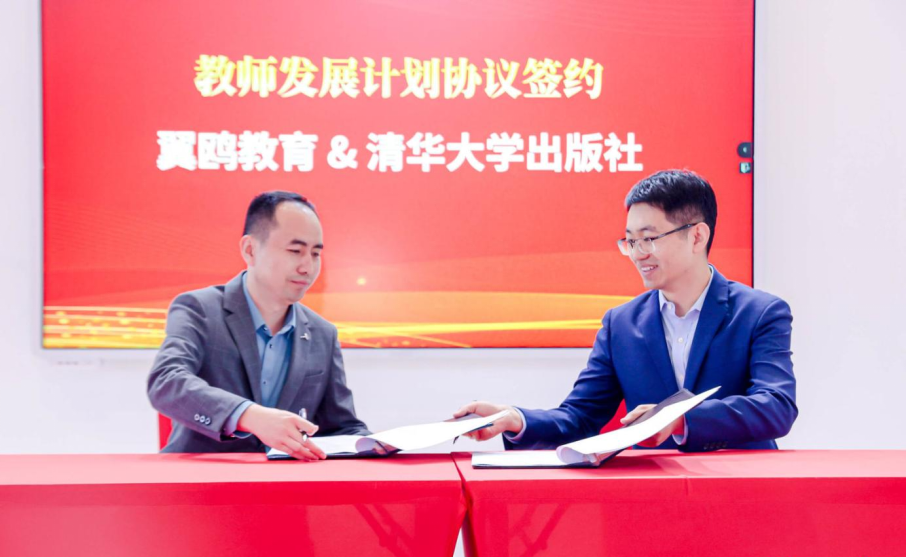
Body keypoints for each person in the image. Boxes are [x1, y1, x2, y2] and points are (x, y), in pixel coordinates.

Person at [455, 169, 798, 451]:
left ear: (697, 236)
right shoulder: (621, 324)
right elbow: (580, 417)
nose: (637, 253)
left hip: (740, 490)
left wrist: (680, 419)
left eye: (649, 238)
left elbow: (777, 405)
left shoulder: (759, 313)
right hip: (651, 494)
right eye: (631, 241)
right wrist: (516, 419)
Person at [148, 191, 369, 460]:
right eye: (295, 251)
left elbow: (341, 426)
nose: (307, 267)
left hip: (286, 484)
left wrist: (378, 445)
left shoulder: (323, 333)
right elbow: (166, 381)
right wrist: (248, 416)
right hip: (204, 479)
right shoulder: (200, 309)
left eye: (315, 254)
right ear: (250, 250)